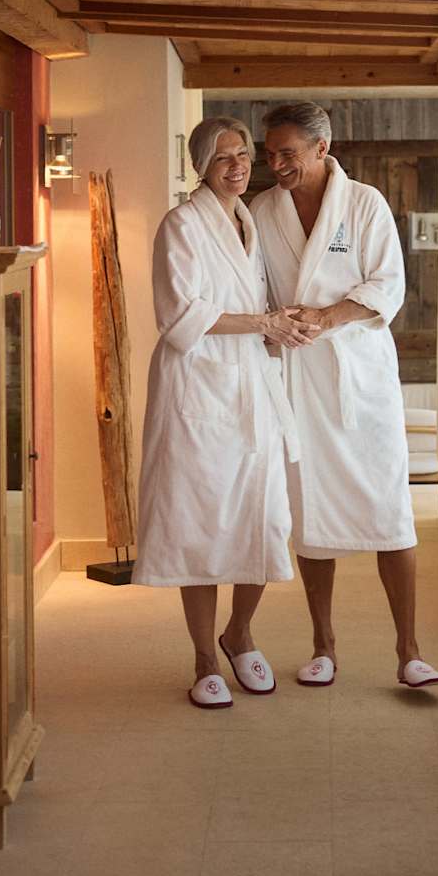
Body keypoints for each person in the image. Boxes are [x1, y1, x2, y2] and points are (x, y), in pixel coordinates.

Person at [248, 101, 438, 690]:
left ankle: (409, 652)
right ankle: (323, 647)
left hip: (358, 376)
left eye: (288, 153)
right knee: (312, 514)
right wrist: (274, 323)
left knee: (391, 512)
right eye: (269, 154)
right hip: (298, 378)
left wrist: (326, 316)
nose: (277, 165)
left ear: (322, 148)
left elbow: (388, 285)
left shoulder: (364, 204)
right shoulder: (263, 210)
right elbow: (253, 286)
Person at [132, 116, 318, 709]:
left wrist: (280, 328)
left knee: (264, 518)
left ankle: (239, 633)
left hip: (251, 383)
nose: (237, 166)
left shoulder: (249, 221)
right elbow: (179, 316)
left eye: (242, 155)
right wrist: (263, 323)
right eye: (222, 158)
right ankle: (204, 660)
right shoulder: (181, 225)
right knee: (201, 525)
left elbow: (257, 301)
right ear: (200, 167)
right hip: (199, 386)